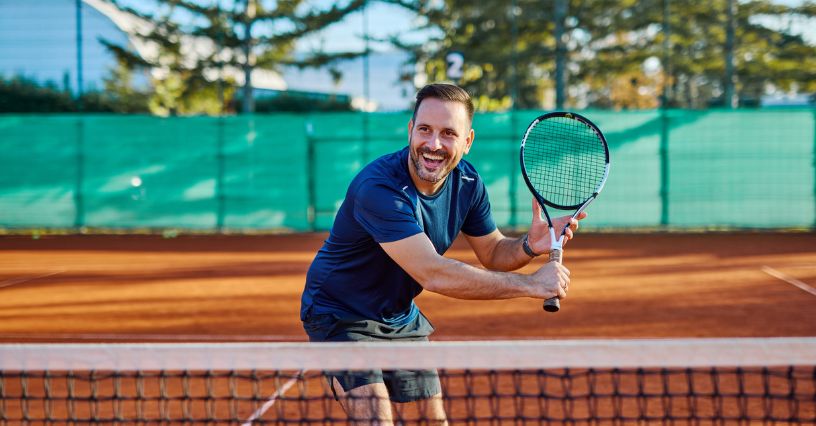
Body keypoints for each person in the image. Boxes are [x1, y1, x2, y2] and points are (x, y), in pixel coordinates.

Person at [300, 83, 585, 424]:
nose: (433, 145)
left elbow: (493, 251)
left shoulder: (467, 183)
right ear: (410, 130)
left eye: (448, 133)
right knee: (377, 420)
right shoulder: (378, 190)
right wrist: (531, 285)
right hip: (339, 313)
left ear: (467, 142)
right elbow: (432, 273)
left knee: (433, 420)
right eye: (425, 130)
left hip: (398, 315)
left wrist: (529, 244)